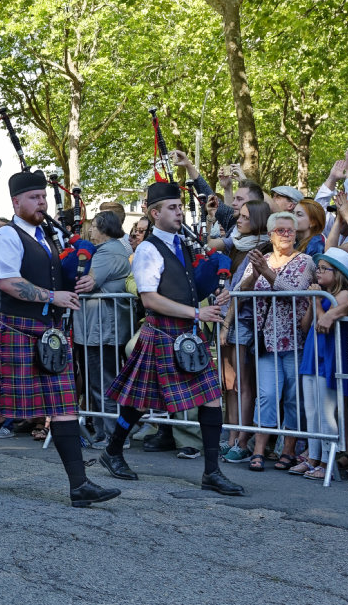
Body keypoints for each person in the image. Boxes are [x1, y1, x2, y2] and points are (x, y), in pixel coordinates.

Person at [0, 169, 120, 507]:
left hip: (47, 334)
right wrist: (52, 296)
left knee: (63, 408)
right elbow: (6, 281)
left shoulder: (47, 237)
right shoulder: (6, 236)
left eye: (43, 197)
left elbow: (54, 277)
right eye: (34, 197)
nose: (42, 203)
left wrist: (82, 281)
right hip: (13, 331)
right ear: (16, 201)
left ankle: (79, 485)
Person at [100, 181, 245, 496]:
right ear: (155, 213)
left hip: (187, 334)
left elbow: (189, 286)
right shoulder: (147, 250)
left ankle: (212, 472)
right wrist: (197, 313)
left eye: (180, 207)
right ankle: (112, 450)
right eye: (172, 207)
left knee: (212, 398)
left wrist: (217, 293)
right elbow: (150, 298)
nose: (179, 212)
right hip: (162, 333)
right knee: (138, 402)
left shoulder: (184, 243)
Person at [237, 210, 315, 472]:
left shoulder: (305, 261)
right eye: (280, 230)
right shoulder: (262, 260)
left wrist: (266, 273)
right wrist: (255, 273)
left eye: (290, 230)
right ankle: (259, 449)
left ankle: (288, 449)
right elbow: (241, 292)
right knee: (267, 394)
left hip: (295, 341)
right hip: (266, 341)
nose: (286, 234)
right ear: (270, 234)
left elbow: (294, 292)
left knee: (293, 396)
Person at [217, 200, 272, 464]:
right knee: (229, 384)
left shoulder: (263, 250)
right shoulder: (237, 245)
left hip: (246, 320)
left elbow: (243, 288)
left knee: (243, 383)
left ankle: (242, 439)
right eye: (239, 216)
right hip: (228, 316)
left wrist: (227, 321)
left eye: (246, 217)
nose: (239, 220)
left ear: (259, 221)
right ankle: (230, 436)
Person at [75, 210, 133, 447]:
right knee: (98, 381)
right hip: (101, 326)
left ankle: (113, 436)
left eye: (94, 227)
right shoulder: (114, 250)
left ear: (104, 229)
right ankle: (103, 432)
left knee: (103, 381)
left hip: (101, 328)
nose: (90, 231)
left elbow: (84, 282)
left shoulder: (107, 252)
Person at [296, 248, 348, 479]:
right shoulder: (321, 295)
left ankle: (327, 461)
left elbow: (323, 324)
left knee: (326, 412)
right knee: (311, 411)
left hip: (328, 356)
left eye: (323, 268)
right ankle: (312, 458)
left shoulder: (343, 295)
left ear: (337, 272)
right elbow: (305, 325)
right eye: (317, 268)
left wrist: (318, 301)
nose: (318, 272)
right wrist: (314, 302)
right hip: (312, 355)